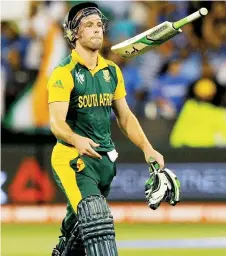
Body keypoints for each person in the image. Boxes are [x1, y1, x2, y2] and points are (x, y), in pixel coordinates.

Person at [47, 2, 178, 256]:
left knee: (78, 232)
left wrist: (147, 148)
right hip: (73, 159)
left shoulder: (111, 71)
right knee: (97, 219)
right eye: (88, 25)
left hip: (105, 160)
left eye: (99, 25)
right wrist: (76, 140)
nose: (97, 30)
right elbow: (56, 123)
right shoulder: (64, 73)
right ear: (74, 34)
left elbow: (125, 117)